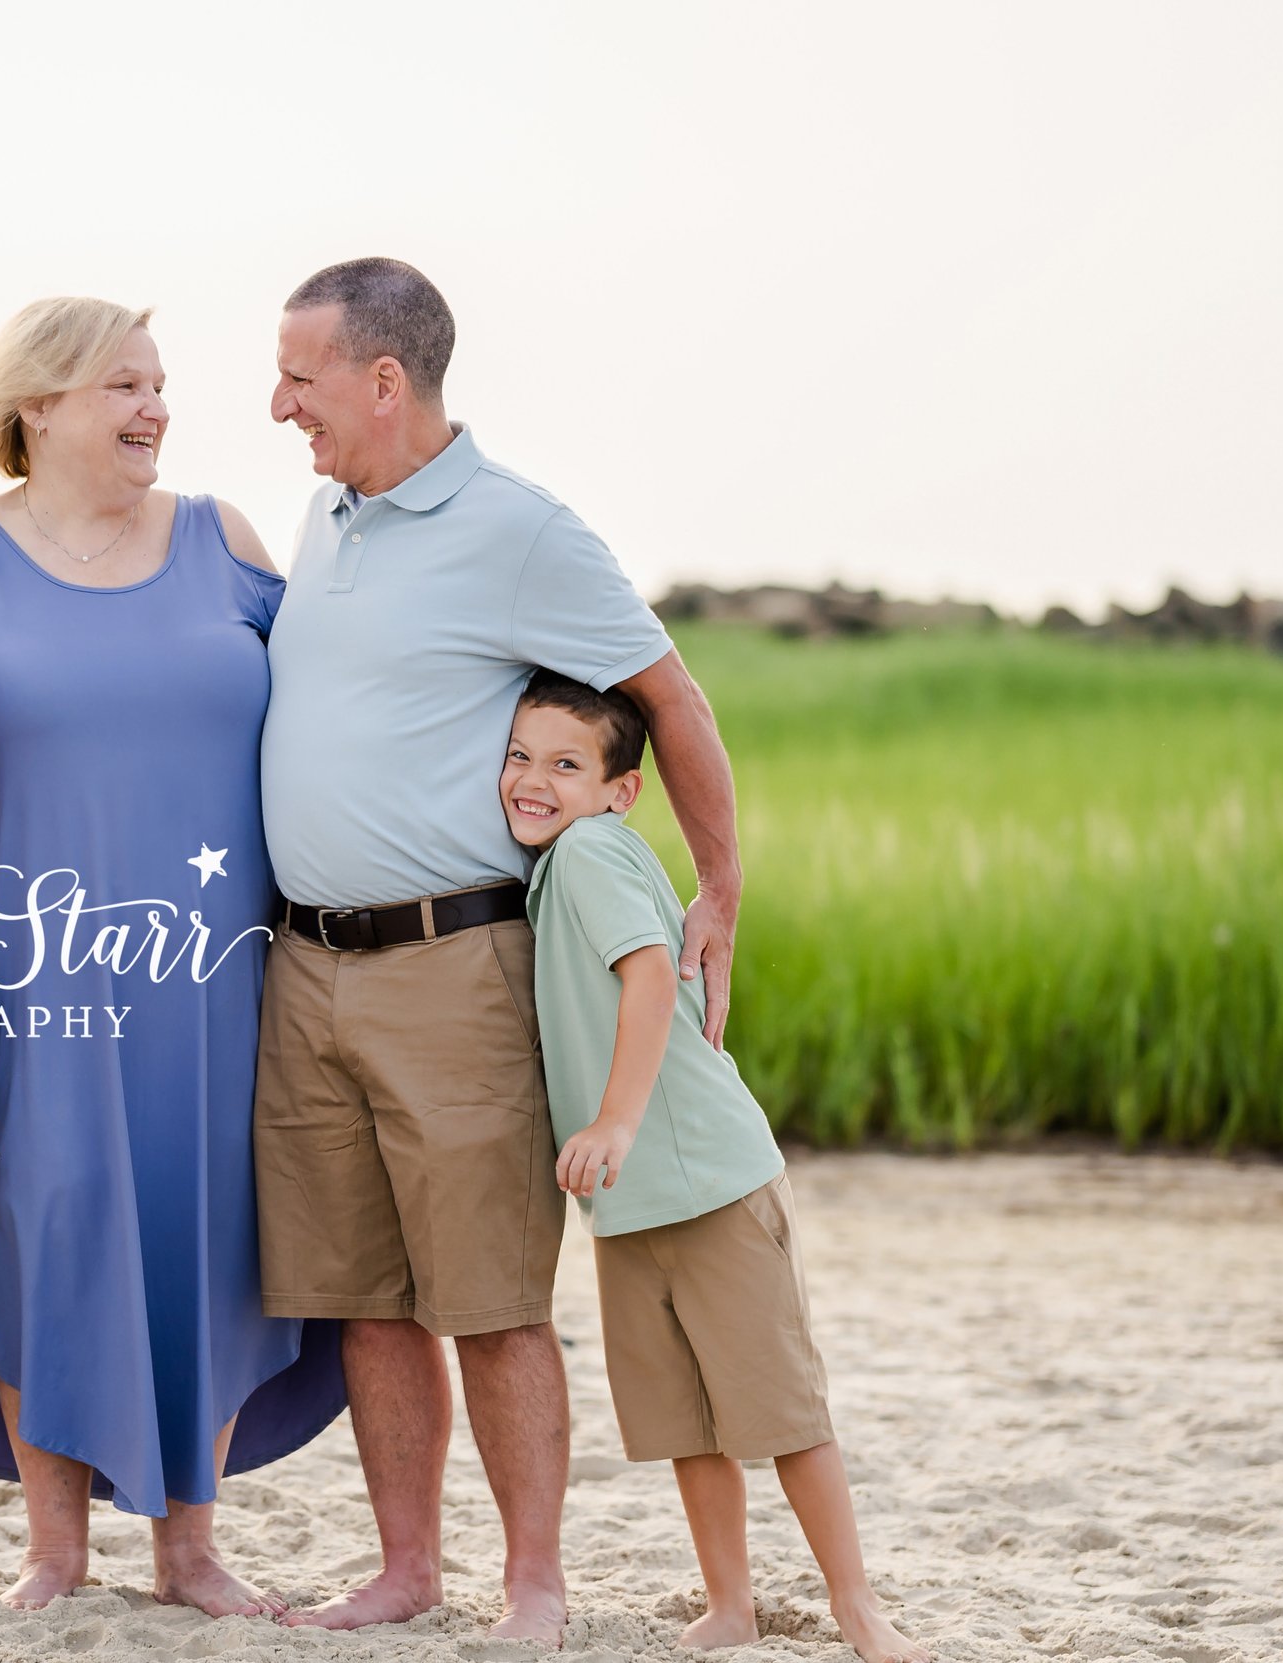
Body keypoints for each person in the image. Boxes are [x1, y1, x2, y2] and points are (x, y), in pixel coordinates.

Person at [0, 297, 345, 1618]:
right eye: (125, 387)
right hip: (35, 971)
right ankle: (55, 1548)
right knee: (51, 1229)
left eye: (160, 387)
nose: (156, 409)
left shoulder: (225, 541)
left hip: (220, 965)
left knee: (209, 1226)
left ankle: (192, 1547)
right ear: (38, 404)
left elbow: (342, 700)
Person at [253, 257, 747, 1641]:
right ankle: (409, 1566)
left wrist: (718, 885)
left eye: (301, 375)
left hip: (453, 969)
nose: (279, 400)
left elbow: (669, 691)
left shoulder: (521, 529)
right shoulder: (325, 512)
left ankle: (534, 1580)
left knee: (489, 1294)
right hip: (305, 967)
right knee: (364, 1293)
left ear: (384, 379)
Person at [503, 670, 930, 1663]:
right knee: (687, 1418)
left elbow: (651, 976)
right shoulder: (557, 860)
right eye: (519, 756)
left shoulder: (590, 850)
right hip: (631, 1202)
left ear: (620, 790)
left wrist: (613, 1121)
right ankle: (730, 1605)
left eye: (565, 763)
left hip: (704, 1178)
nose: (533, 779)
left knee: (782, 1410)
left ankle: (857, 1607)